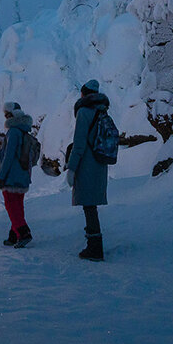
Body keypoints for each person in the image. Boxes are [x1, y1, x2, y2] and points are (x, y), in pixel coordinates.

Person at [66, 79, 109, 261]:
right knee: (91, 204)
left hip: (87, 164)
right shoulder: (102, 111)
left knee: (89, 206)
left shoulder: (84, 112)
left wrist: (71, 168)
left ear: (84, 93)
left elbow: (79, 145)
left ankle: (95, 247)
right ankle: (93, 243)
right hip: (100, 163)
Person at [0, 102, 33, 248]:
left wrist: (2, 176)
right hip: (23, 174)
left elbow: (8, 156)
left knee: (11, 205)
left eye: (6, 114)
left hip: (11, 175)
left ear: (11, 114)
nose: (5, 116)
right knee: (18, 205)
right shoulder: (24, 131)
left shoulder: (13, 132)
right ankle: (14, 235)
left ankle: (23, 233)